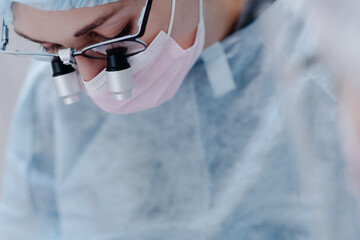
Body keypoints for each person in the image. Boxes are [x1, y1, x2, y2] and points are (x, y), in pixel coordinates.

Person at [0, 0, 359, 239]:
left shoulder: (331, 54)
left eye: (110, 36)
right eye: (52, 50)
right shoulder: (50, 105)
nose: (90, 78)